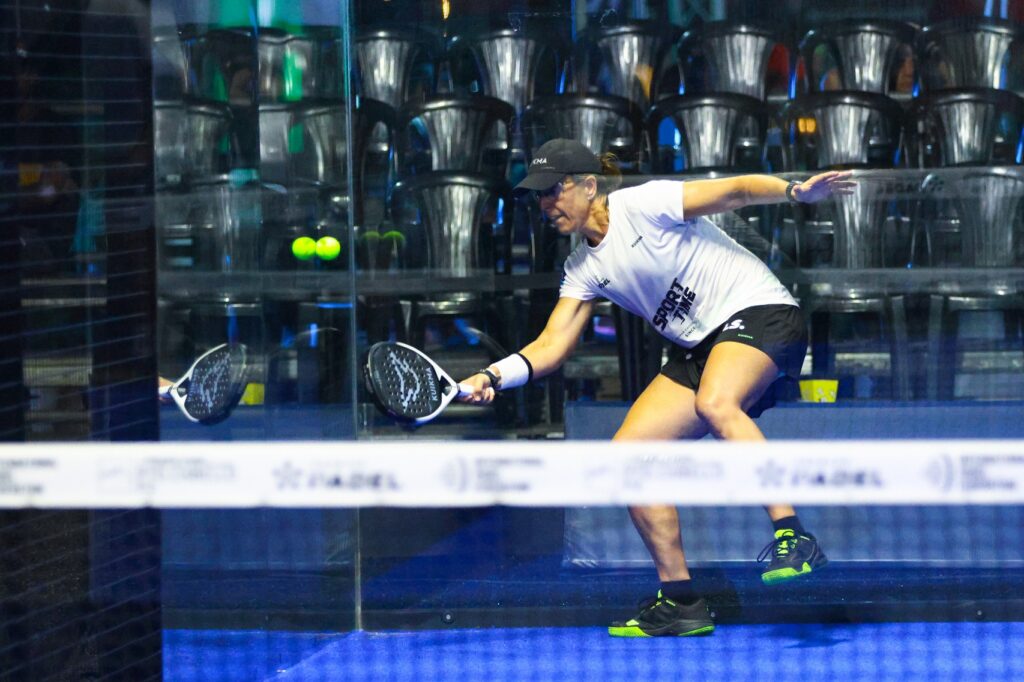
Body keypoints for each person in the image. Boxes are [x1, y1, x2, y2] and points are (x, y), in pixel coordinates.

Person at [457, 138, 855, 637]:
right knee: (628, 457)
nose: (546, 204)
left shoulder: (643, 205)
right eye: (539, 196)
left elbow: (734, 191)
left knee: (716, 401)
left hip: (759, 312)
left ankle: (793, 537)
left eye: (553, 190)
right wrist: (492, 376)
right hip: (698, 347)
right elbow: (551, 346)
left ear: (588, 185)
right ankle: (681, 601)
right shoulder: (582, 269)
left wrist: (794, 191)